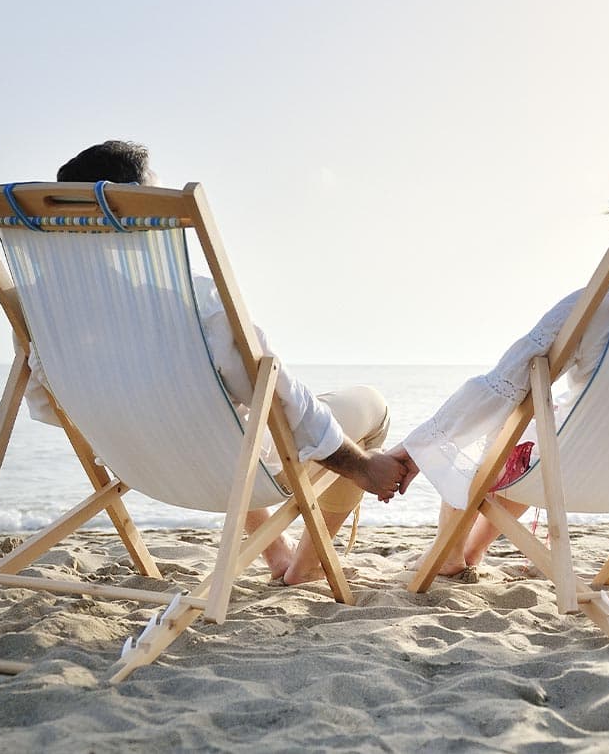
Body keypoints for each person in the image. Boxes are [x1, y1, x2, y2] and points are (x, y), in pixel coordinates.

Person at [22, 140, 407, 585]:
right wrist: (362, 467)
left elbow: (49, 407)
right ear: (133, 208)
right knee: (367, 406)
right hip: (225, 468)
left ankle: (278, 554)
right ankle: (308, 565)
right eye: (155, 197)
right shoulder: (193, 303)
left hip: (139, 469)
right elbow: (273, 393)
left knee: (221, 422)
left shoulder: (47, 317)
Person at [387, 143, 609, 577]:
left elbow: (499, 387)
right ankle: (470, 554)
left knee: (513, 426)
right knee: (537, 432)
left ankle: (449, 556)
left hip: (576, 474)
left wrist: (416, 446)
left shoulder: (596, 309)